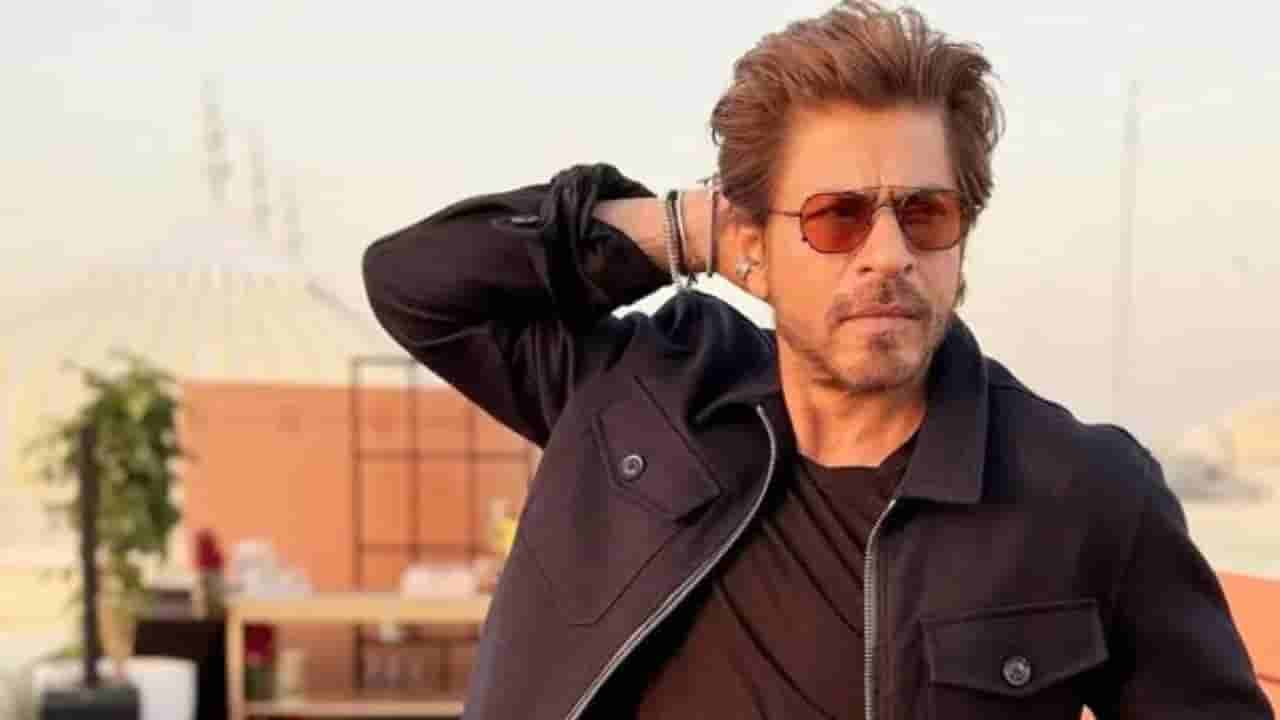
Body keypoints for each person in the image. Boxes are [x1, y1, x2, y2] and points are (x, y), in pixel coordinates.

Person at [362, 2, 1273, 718]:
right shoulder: (638, 394)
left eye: (925, 214)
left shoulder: (1084, 493)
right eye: (837, 217)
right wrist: (680, 226)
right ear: (748, 245)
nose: (888, 255)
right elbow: (417, 284)